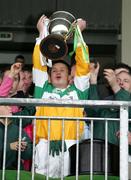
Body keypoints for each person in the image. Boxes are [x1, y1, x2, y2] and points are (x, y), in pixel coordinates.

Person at [33, 15, 90, 177]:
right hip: (45, 145)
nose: (57, 72)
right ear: (49, 77)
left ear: (70, 76)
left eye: (62, 70)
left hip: (70, 144)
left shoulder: (78, 92)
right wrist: (42, 33)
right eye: (54, 71)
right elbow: (39, 63)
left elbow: (83, 65)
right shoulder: (42, 90)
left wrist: (78, 33)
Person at [0, 106, 32, 170]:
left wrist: (25, 148)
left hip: (15, 173)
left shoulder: (18, 129)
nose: (10, 108)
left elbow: (29, 155)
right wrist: (9, 147)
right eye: (5, 105)